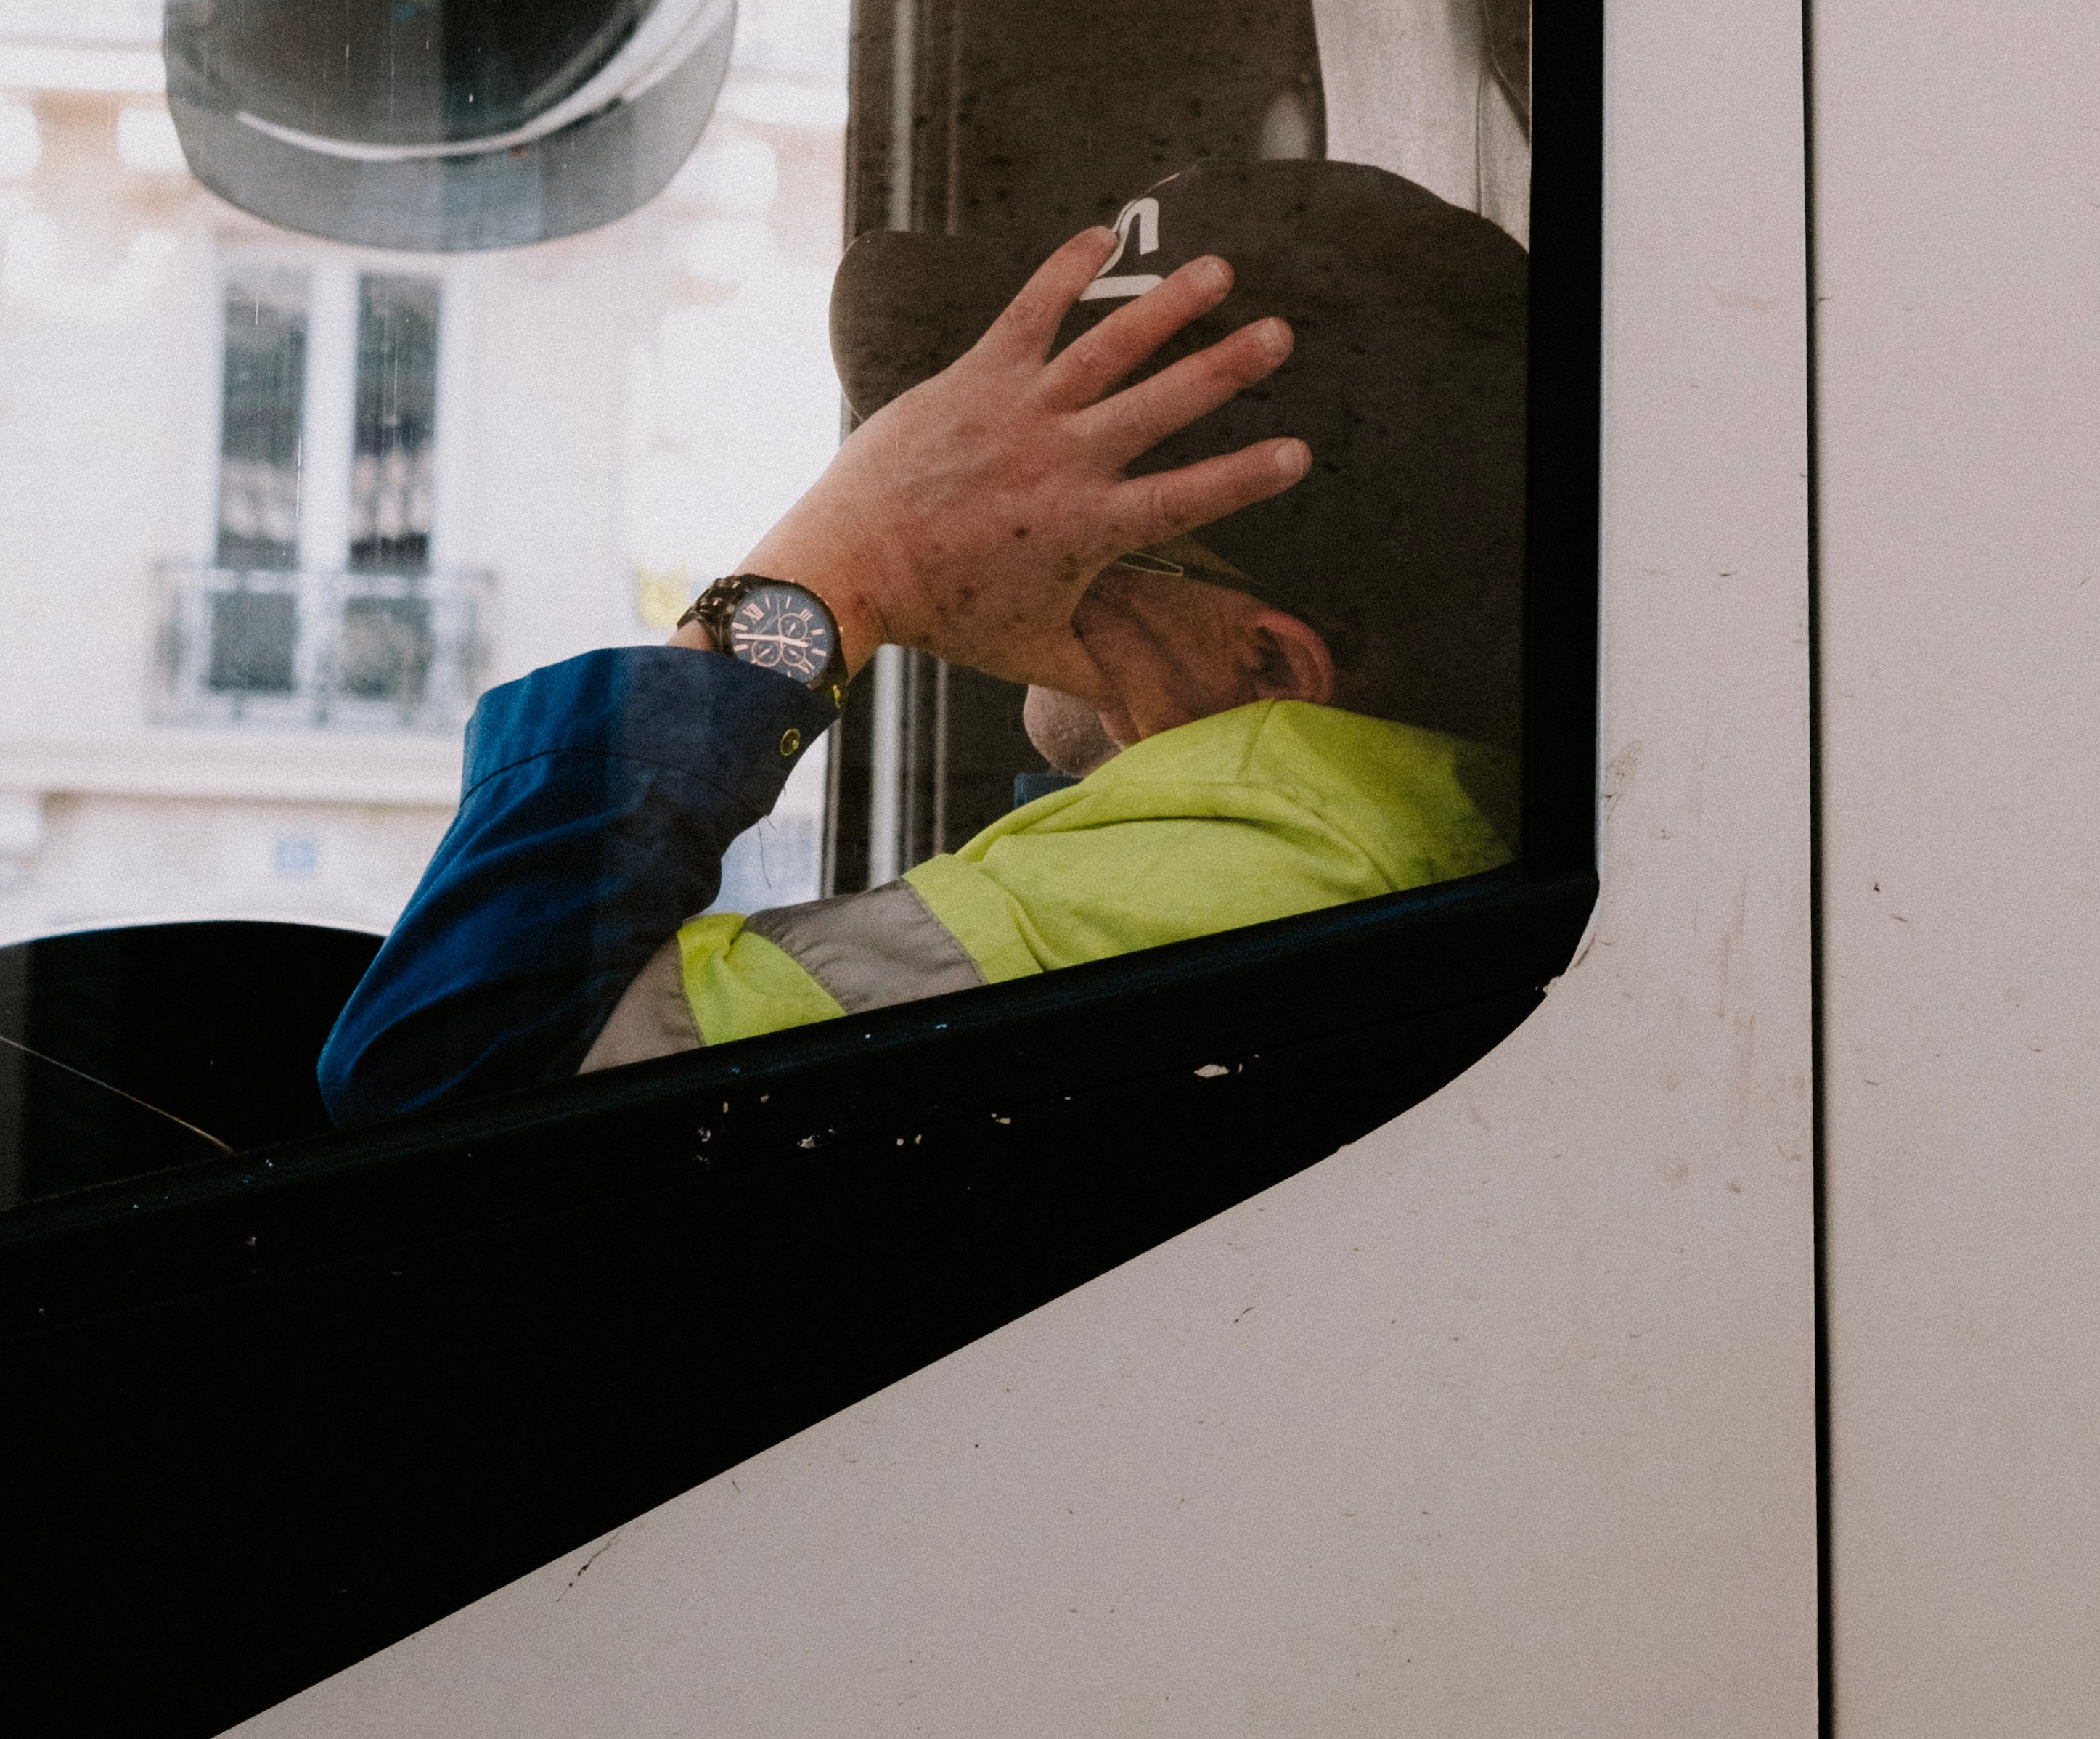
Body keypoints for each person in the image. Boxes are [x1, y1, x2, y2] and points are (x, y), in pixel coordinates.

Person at [316, 160, 1525, 1129]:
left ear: (1270, 668)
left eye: (1065, 504)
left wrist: (845, 564)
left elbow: (453, 1086)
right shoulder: (1347, 845)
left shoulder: (1227, 893)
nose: (961, 510)